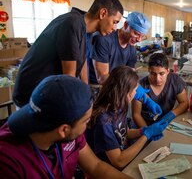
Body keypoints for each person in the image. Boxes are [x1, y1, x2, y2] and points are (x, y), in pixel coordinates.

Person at [0, 75, 130, 178]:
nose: (88, 124)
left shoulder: (69, 131)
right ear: (63, 129)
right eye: (86, 121)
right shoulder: (8, 162)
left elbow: (95, 166)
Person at [13, 0, 124, 108]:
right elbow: (69, 77)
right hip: (31, 95)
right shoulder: (72, 23)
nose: (115, 28)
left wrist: (87, 94)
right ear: (103, 13)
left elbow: (83, 61)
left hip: (49, 91)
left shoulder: (87, 30)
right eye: (115, 22)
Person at [85, 66, 168, 169]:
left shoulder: (119, 105)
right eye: (135, 90)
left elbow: (124, 133)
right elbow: (118, 161)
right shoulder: (103, 120)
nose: (136, 94)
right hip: (112, 168)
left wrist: (142, 131)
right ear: (126, 93)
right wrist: (146, 135)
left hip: (124, 154)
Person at [132, 53, 189, 127]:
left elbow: (184, 103)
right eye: (153, 74)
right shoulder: (141, 86)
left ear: (168, 71)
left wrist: (171, 115)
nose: (157, 79)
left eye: (162, 74)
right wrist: (147, 132)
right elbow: (136, 115)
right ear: (149, 70)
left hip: (165, 124)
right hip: (144, 125)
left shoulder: (175, 81)